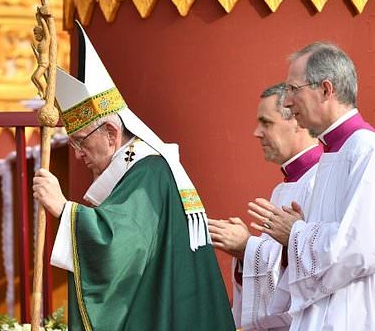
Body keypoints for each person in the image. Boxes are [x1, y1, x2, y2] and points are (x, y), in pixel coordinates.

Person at [32, 22, 235, 331]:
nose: (77, 154)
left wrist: (62, 208)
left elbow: (120, 245)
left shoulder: (149, 171)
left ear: (112, 133)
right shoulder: (142, 170)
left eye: (81, 141)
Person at [248, 42, 375, 330]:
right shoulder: (332, 156)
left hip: (358, 318)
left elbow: (361, 249)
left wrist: (296, 233)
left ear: (326, 90)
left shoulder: (368, 152)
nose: (287, 102)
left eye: (293, 89)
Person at [209, 83, 321, 330]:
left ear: (298, 122)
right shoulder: (284, 187)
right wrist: (244, 252)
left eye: (266, 123)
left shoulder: (319, 182)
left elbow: (318, 266)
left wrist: (247, 246)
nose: (256, 132)